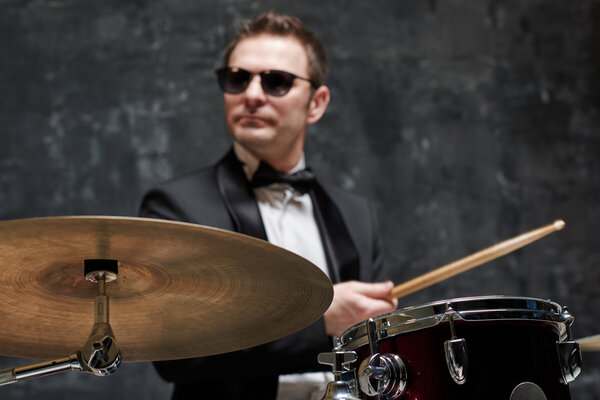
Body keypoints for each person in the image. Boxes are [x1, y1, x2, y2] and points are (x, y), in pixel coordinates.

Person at [139, 11, 398, 400]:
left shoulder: (356, 214)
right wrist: (321, 323)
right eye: (238, 78)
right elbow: (177, 355)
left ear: (316, 103)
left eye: (276, 81)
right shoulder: (177, 207)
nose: (253, 94)